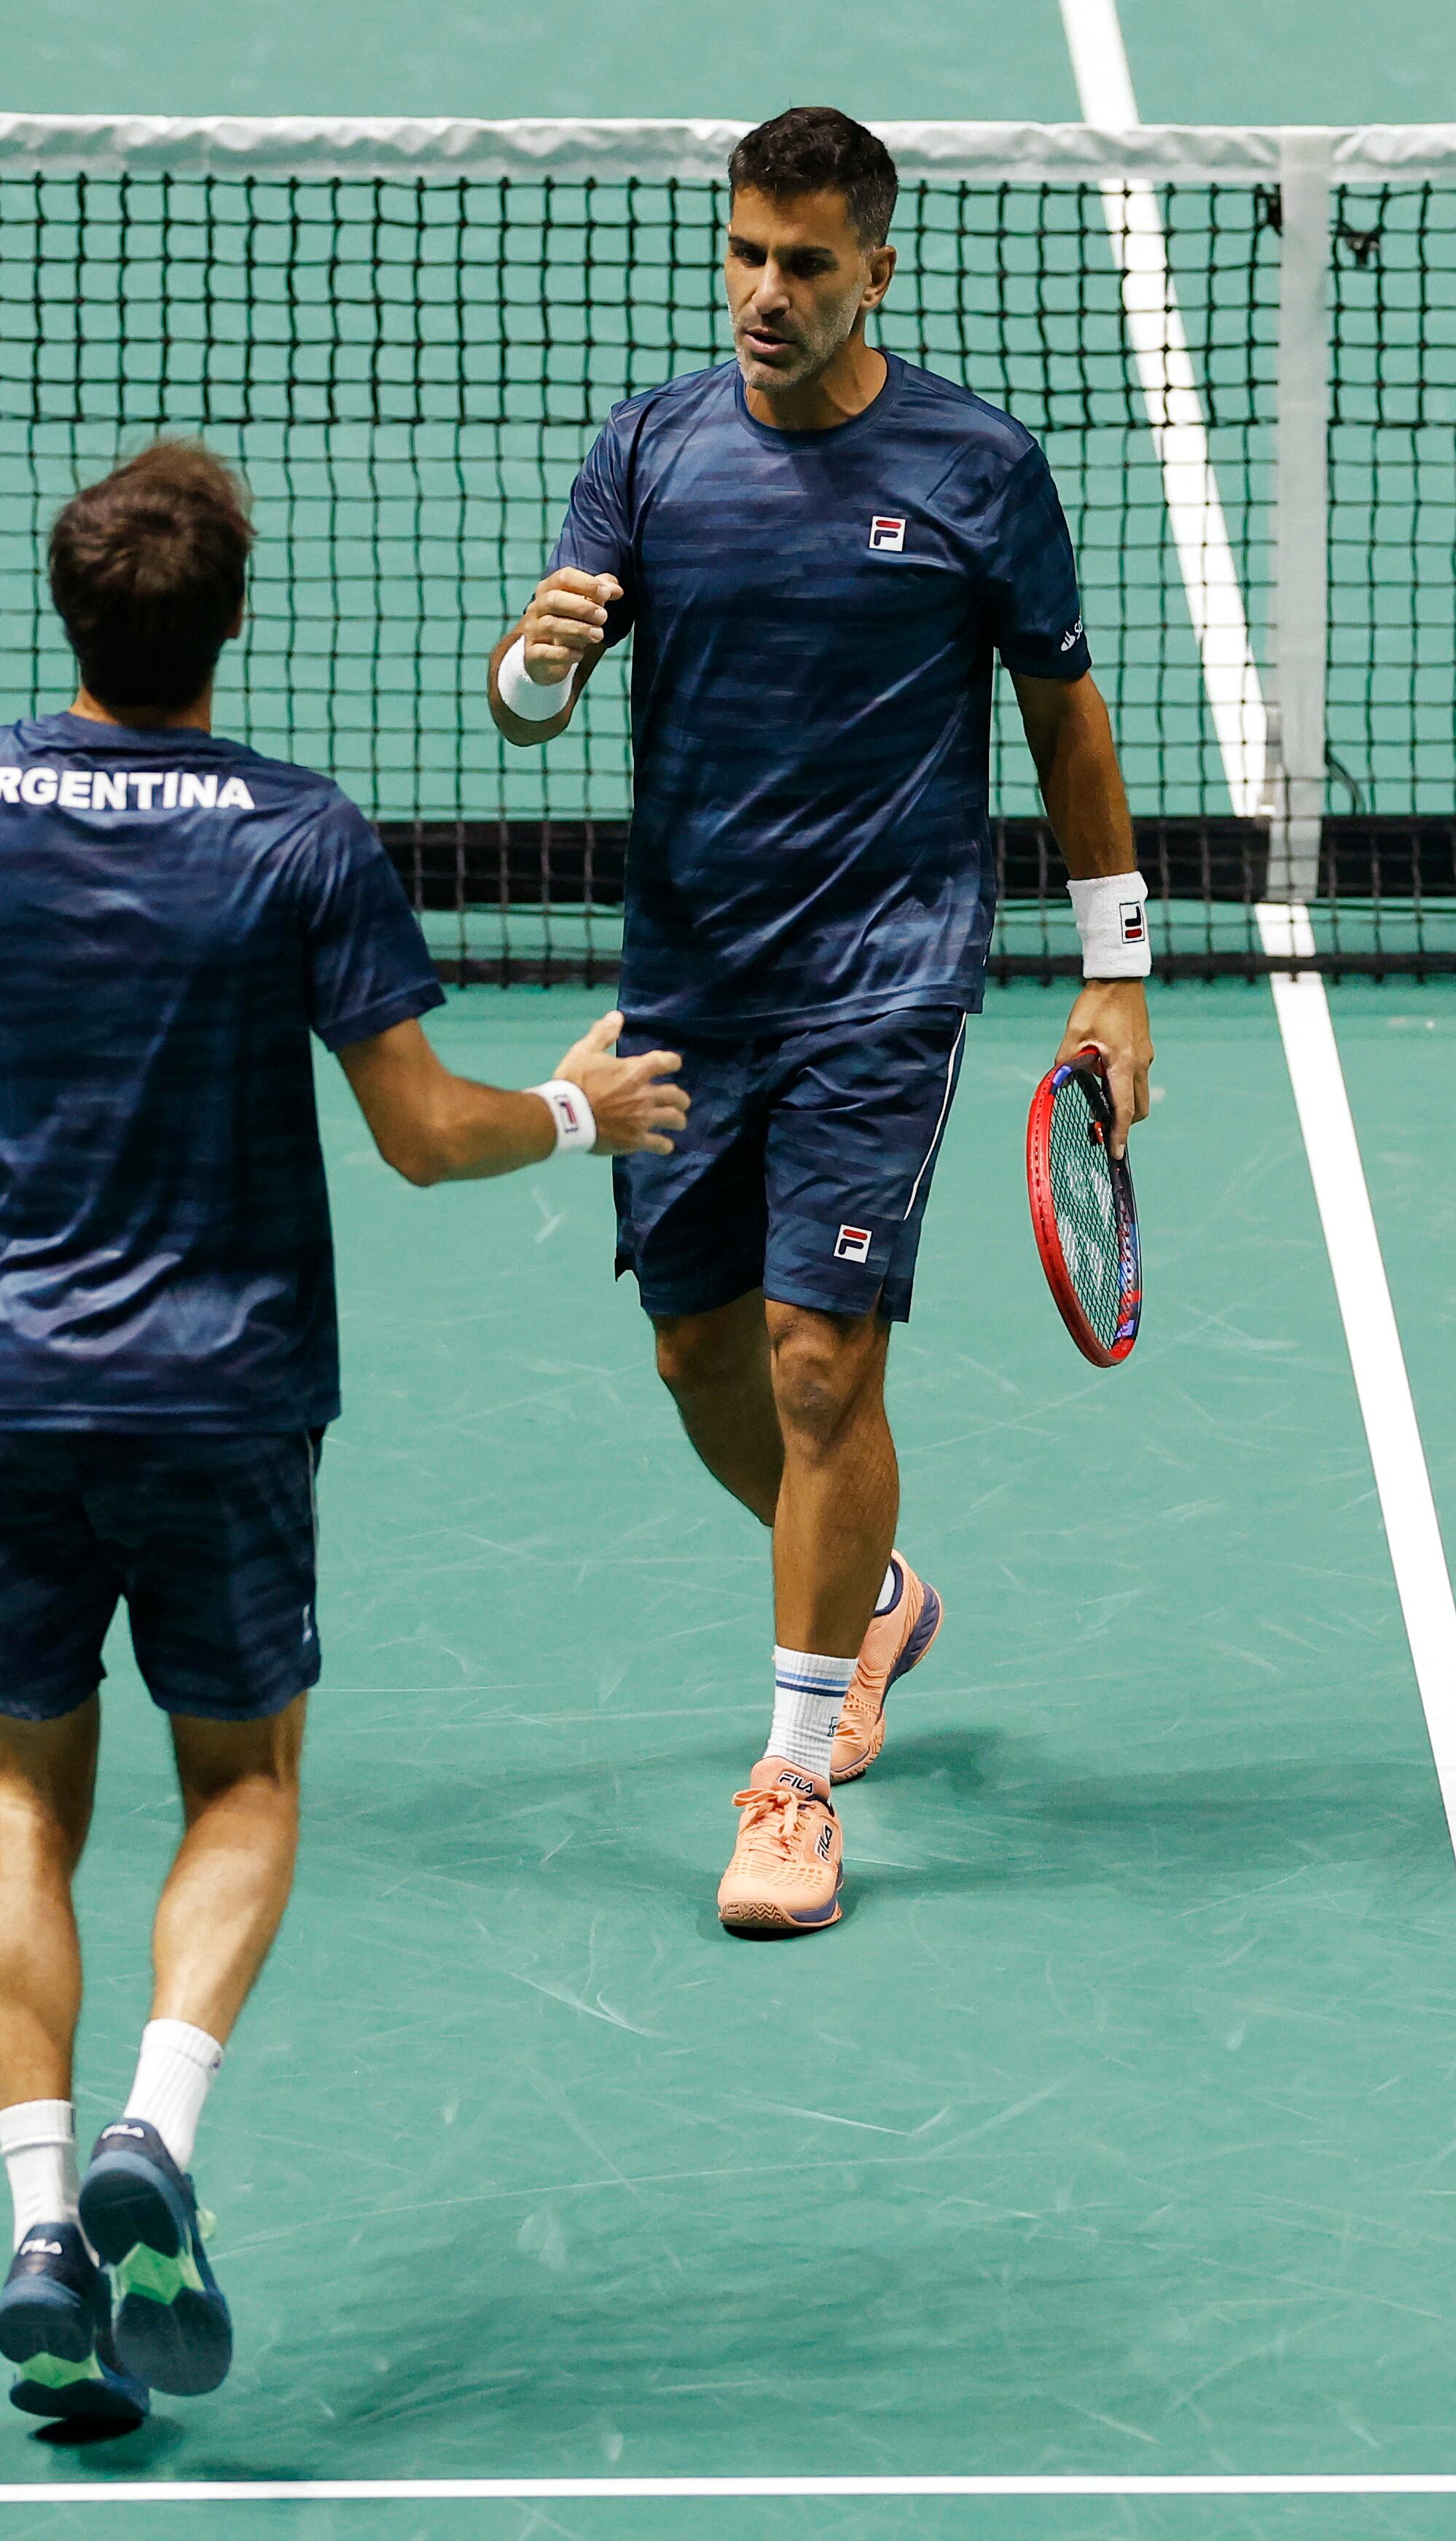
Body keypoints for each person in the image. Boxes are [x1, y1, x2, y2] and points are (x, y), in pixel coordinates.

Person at [0, 441, 685, 2433]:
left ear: (72, 614)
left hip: (2, 1382)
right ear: (230, 626)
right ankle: (155, 2135)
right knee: (245, 1785)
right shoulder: (300, 837)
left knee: (23, 1800)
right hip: (221, 1390)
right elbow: (425, 1132)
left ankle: (39, 2221)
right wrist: (574, 1110)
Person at [485, 106, 1154, 1939]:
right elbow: (530, 703)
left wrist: (1116, 971)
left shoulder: (974, 468)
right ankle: (872, 1605)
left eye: (802, 262)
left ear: (876, 267)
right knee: (697, 1359)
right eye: (743, 255)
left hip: (885, 971)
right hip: (690, 979)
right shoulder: (649, 449)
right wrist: (531, 664)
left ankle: (787, 1779)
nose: (763, 295)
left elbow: (1063, 718)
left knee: (813, 1360)